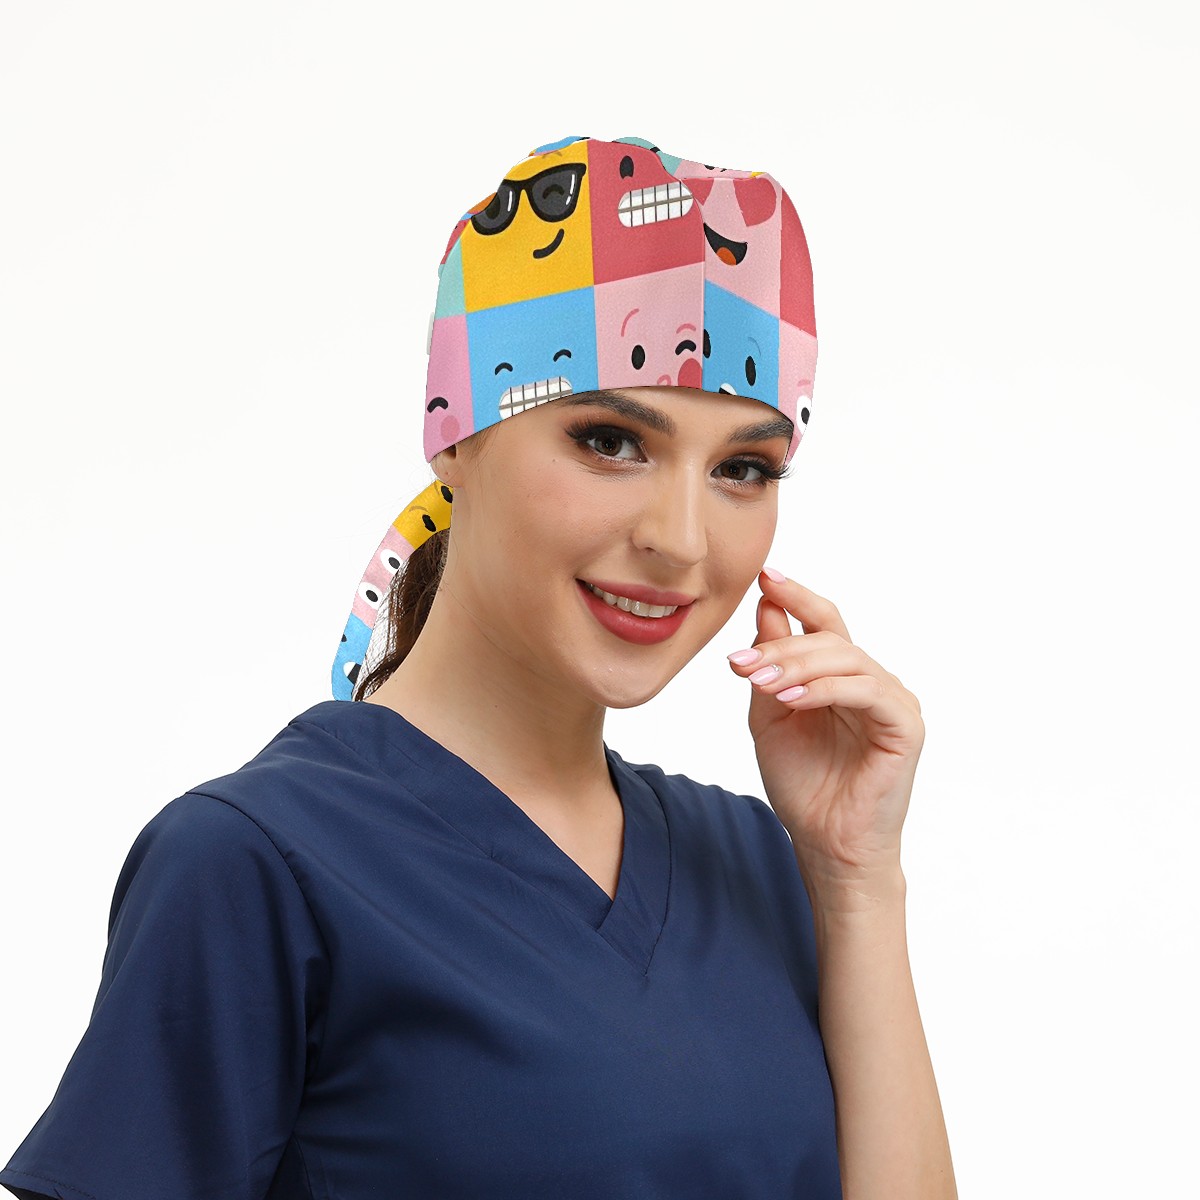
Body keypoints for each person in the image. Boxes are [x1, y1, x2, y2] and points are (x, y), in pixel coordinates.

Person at [1, 134, 957, 1199]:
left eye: (743, 467)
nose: (683, 540)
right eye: (610, 442)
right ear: (456, 433)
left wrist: (856, 879)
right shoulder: (253, 865)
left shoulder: (751, 859)